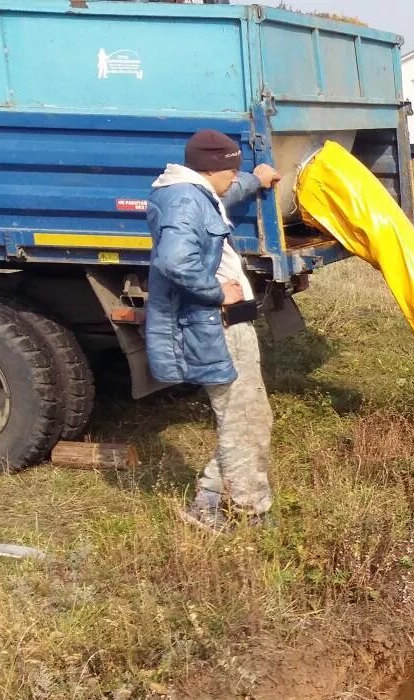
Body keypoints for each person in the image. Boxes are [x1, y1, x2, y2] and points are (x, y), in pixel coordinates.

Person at [145, 129, 282, 532]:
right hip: (215, 326)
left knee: (250, 416)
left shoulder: (192, 191)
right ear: (214, 168)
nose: (232, 178)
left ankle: (207, 500)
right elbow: (173, 261)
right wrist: (216, 291)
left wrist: (255, 179)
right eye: (232, 169)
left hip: (222, 325)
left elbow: (223, 194)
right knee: (243, 420)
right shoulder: (186, 199)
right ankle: (248, 513)